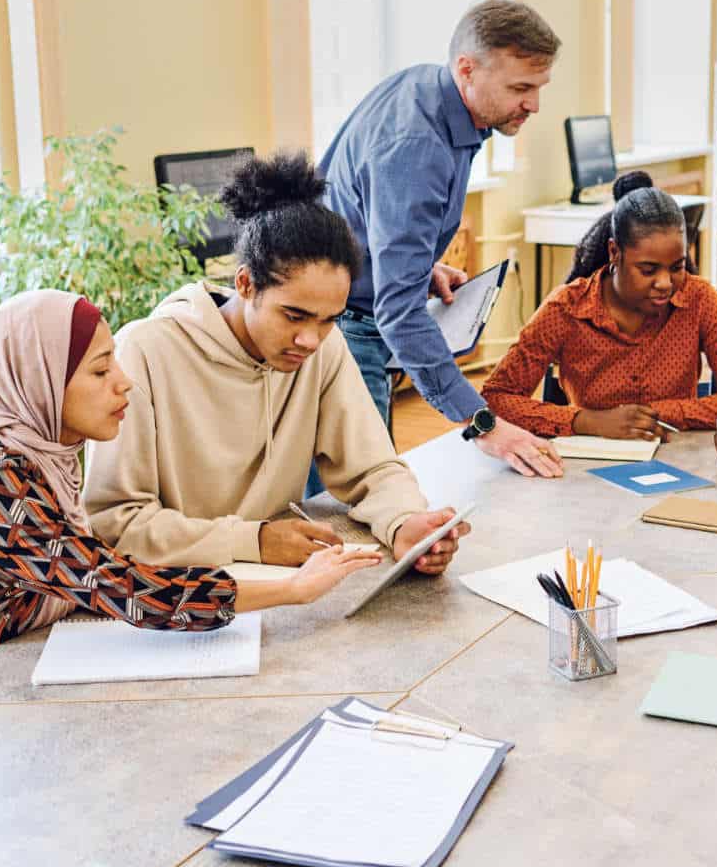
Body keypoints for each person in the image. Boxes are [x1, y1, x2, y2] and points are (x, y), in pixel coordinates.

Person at [0, 291, 379, 701]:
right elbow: (127, 589)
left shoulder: (37, 446)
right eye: (99, 371)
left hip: (13, 664)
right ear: (39, 382)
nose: (124, 383)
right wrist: (294, 590)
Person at [82, 152, 470, 572]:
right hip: (174, 594)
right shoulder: (143, 353)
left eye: (328, 320)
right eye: (293, 315)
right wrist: (254, 540)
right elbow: (115, 525)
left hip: (276, 583)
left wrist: (404, 522)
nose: (310, 339)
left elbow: (373, 468)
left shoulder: (323, 347)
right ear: (246, 284)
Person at [318, 0, 565, 479]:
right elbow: (399, 311)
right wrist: (485, 427)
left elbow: (362, 205)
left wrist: (415, 266)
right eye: (521, 87)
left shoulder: (431, 89)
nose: (533, 104)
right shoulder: (417, 146)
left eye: (539, 87)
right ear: (467, 69)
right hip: (341, 326)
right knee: (356, 493)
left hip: (349, 299)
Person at [480, 172, 717, 439]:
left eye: (676, 267)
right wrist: (588, 421)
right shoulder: (566, 309)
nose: (665, 283)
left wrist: (661, 414)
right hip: (588, 465)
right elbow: (496, 398)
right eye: (648, 270)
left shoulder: (699, 299)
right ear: (614, 252)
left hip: (676, 456)